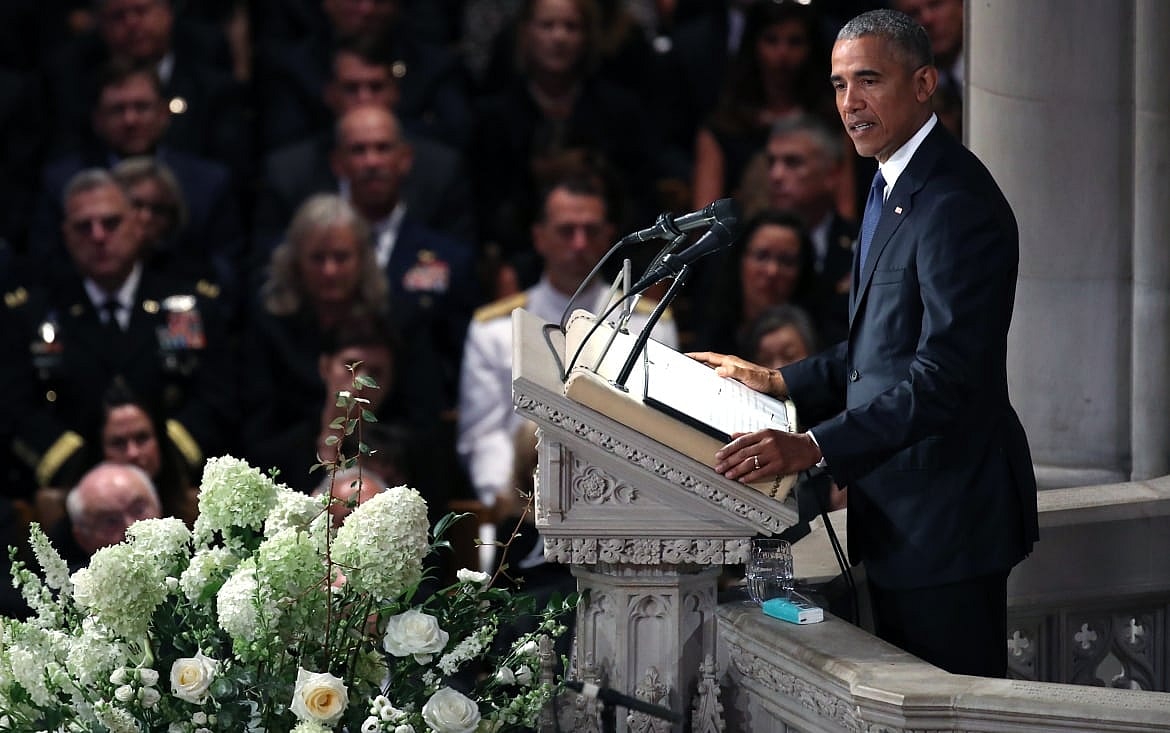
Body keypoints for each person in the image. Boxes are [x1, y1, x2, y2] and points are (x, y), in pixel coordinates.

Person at [690, 9, 1038, 678]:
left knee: (949, 714)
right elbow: (880, 350)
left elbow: (943, 375)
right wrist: (780, 381)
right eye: (840, 84)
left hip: (946, 521)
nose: (851, 103)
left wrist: (815, 445)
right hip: (902, 513)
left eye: (870, 81)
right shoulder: (888, 183)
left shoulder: (953, 201)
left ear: (925, 83)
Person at [0, 168, 235, 496]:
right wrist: (79, 466)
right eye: (84, 227)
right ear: (66, 236)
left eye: (111, 223)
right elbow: (14, 407)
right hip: (72, 488)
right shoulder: (32, 314)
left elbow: (217, 396)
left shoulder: (187, 306)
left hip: (173, 484)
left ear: (137, 226)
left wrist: (163, 456)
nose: (98, 236)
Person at [457, 168, 678, 513]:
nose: (579, 243)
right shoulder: (495, 328)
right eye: (566, 231)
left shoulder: (647, 321)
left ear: (608, 236)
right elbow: (484, 433)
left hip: (622, 505)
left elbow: (661, 429)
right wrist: (511, 501)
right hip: (522, 506)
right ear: (539, 237)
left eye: (590, 231)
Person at [252, 36, 477, 254]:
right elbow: (268, 270)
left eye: (376, 87)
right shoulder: (288, 174)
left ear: (395, 93)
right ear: (330, 95)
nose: (364, 99)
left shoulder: (440, 171)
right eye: (352, 88)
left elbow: (460, 268)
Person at [690, 210, 816, 358]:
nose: (772, 271)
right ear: (740, 260)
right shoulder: (712, 331)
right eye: (762, 256)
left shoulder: (819, 336)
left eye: (786, 261)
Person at [50, 462, 163, 571]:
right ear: (83, 539)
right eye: (111, 521)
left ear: (158, 506)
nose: (131, 529)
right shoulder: (68, 589)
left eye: (139, 510)